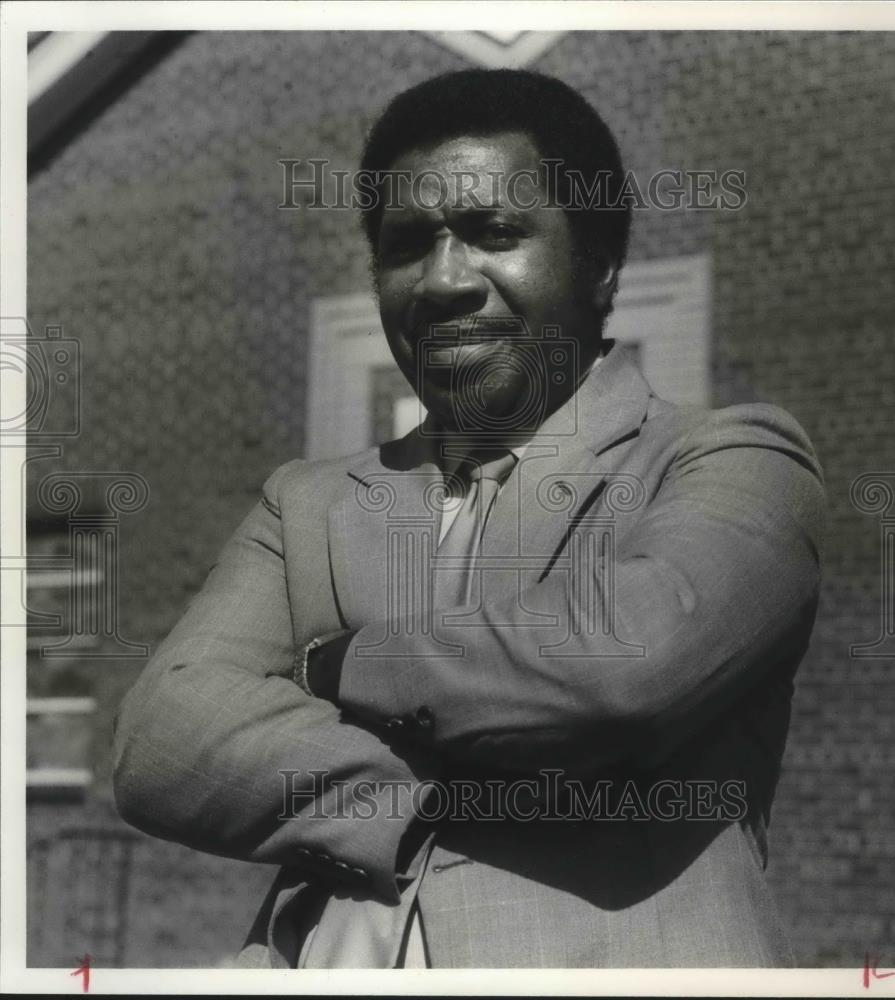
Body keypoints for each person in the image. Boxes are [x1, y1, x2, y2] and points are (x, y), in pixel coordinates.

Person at [112, 68, 826, 968]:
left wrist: (327, 666)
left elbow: (620, 672)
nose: (445, 280)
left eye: (494, 232)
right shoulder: (306, 500)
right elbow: (161, 743)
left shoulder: (730, 460)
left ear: (600, 266)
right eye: (409, 242)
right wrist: (456, 793)